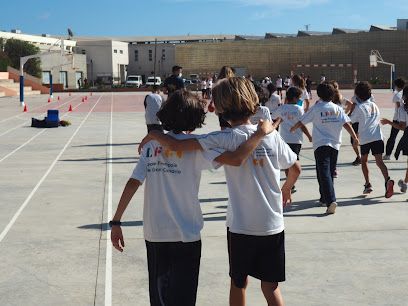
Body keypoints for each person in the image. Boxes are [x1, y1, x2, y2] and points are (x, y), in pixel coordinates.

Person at [140, 77, 301, 306]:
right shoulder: (270, 134)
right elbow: (295, 168)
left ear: (223, 109)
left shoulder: (222, 138)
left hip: (241, 226)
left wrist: (155, 134)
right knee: (271, 287)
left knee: (239, 283)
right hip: (273, 224)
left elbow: (176, 145)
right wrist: (286, 190)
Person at [111, 89, 273, 306]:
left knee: (159, 298)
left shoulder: (151, 146)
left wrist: (117, 221)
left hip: (156, 232)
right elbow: (236, 158)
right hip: (187, 234)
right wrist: (259, 134)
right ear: (197, 118)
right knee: (184, 297)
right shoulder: (199, 147)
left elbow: (133, 182)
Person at [291, 82, 359, 214]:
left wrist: (294, 128)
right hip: (334, 145)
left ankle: (330, 200)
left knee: (324, 172)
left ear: (319, 95)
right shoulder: (337, 108)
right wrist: (355, 137)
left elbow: (303, 120)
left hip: (321, 144)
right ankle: (324, 198)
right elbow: (346, 123)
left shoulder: (317, 108)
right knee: (328, 172)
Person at [350, 82, 394, 197]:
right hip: (377, 137)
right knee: (380, 162)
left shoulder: (359, 108)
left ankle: (368, 184)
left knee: (364, 161)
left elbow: (351, 120)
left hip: (365, 138)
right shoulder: (374, 105)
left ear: (358, 95)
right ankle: (387, 180)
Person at [272, 87, 312, 193]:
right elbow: (302, 125)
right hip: (296, 140)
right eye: (298, 98)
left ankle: (289, 182)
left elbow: (275, 117)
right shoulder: (299, 109)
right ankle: (291, 183)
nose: (299, 100)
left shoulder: (282, 108)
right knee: (295, 161)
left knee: (286, 162)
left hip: (284, 139)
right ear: (294, 98)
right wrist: (309, 136)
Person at [381, 85, 408, 193]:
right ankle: (405, 183)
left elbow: (402, 127)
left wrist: (389, 122)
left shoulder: (403, 109)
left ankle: (405, 183)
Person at [330, 80, 361, 168]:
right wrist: (345, 113)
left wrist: (347, 114)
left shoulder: (330, 97)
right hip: (344, 121)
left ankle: (359, 157)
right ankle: (360, 157)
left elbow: (351, 105)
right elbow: (350, 105)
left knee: (353, 140)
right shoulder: (340, 96)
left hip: (333, 121)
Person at [384, 78, 406, 160]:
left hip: (397, 118)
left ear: (396, 86)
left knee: (392, 137)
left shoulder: (397, 95)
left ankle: (388, 155)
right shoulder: (405, 93)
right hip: (406, 119)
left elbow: (399, 107)